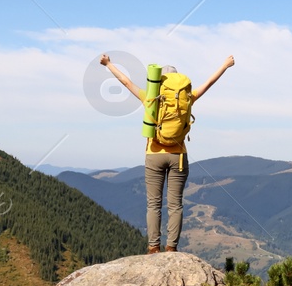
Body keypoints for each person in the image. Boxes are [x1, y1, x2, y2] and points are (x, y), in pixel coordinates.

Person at [99, 53, 235, 254]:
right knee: (176, 205)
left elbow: (126, 82)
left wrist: (108, 64)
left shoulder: (151, 97)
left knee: (154, 204)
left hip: (154, 154)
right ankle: (171, 248)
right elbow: (209, 82)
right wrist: (225, 65)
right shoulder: (187, 98)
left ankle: (153, 247)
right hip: (178, 156)